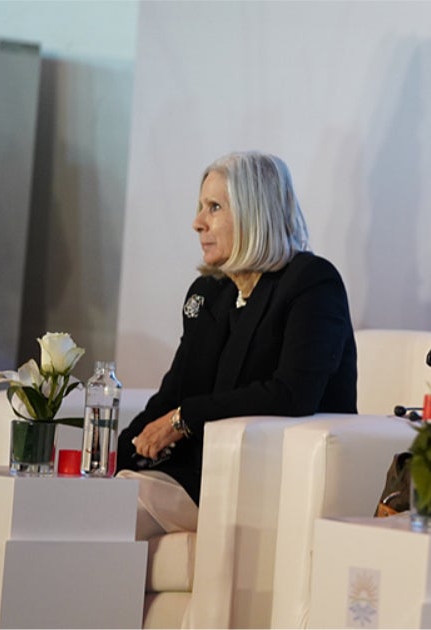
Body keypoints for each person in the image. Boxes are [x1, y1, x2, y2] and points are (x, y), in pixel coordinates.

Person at [116, 151, 357, 539]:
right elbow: (173, 393)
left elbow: (292, 394)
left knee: (111, 511)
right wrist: (112, 459)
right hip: (195, 471)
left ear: (253, 214)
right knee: (93, 499)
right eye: (200, 207)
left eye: (214, 208)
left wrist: (185, 419)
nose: (197, 223)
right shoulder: (211, 293)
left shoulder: (312, 283)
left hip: (262, 477)